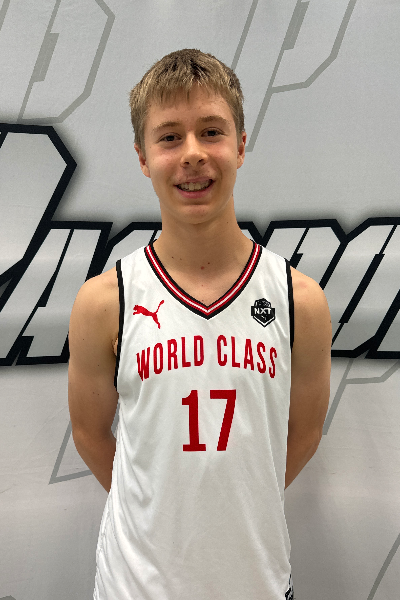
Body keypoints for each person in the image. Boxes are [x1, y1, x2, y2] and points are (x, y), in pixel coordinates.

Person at [68, 49, 331, 600]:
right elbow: (90, 433)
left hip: (255, 583)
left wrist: (233, 503)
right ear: (143, 157)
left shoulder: (299, 300)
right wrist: (160, 509)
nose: (192, 154)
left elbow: (304, 433)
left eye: (211, 132)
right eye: (169, 137)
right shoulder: (104, 301)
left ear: (241, 145)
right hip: (135, 586)